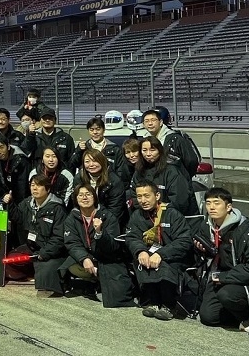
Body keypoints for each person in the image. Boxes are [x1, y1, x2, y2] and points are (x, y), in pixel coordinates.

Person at [196, 187, 249, 336]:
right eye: (208, 203)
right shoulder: (207, 226)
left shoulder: (246, 232)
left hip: (248, 283)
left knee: (227, 295)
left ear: (228, 207)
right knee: (208, 317)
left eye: (217, 203)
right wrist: (200, 250)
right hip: (220, 277)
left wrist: (223, 277)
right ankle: (238, 317)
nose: (211, 207)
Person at [125, 180, 193, 321]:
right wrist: (140, 251)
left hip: (172, 255)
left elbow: (184, 241)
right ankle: (152, 302)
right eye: (139, 196)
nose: (143, 200)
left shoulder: (172, 214)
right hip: (149, 252)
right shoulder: (137, 215)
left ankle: (169, 305)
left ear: (157, 196)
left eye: (146, 196)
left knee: (165, 265)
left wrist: (161, 254)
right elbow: (132, 237)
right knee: (141, 260)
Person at [59, 184, 134, 308]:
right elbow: (72, 243)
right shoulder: (71, 218)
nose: (84, 198)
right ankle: (93, 281)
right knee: (71, 266)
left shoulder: (108, 216)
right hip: (88, 257)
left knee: (116, 296)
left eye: (88, 194)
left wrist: (100, 232)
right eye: (80, 195)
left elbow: (113, 246)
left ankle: (101, 281)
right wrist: (84, 258)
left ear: (94, 197)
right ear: (76, 199)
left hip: (106, 258)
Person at [9, 175, 67, 294]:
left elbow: (59, 238)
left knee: (45, 277)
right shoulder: (27, 203)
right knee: (10, 261)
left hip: (51, 252)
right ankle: (32, 272)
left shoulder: (57, 208)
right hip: (32, 247)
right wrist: (9, 203)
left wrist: (44, 253)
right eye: (32, 185)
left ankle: (40, 272)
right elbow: (18, 218)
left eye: (39, 185)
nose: (34, 188)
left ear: (48, 189)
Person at [131, 136, 197, 216]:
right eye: (144, 150)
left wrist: (160, 212)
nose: (148, 154)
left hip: (171, 217)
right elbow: (134, 196)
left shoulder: (172, 171)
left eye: (152, 150)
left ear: (160, 151)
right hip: (146, 216)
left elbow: (179, 201)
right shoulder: (138, 172)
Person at [140, 108, 200, 178]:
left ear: (161, 122)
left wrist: (182, 176)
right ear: (143, 124)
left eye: (153, 120)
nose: (150, 123)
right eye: (146, 121)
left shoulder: (176, 138)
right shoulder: (143, 139)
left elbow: (191, 161)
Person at [75, 149, 127, 229]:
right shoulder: (79, 178)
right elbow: (76, 203)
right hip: (85, 219)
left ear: (102, 161)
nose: (91, 164)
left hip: (108, 221)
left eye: (95, 161)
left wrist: (101, 224)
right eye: (87, 162)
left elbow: (115, 209)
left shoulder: (114, 181)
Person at [71, 117, 130, 183]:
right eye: (91, 130)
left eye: (98, 129)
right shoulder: (84, 147)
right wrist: (79, 151)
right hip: (88, 183)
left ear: (104, 130)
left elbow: (121, 171)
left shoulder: (114, 148)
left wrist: (115, 183)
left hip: (109, 184)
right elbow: (73, 164)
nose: (95, 132)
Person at [0, 136, 30, 206]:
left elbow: (22, 188)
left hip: (18, 197)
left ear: (8, 147)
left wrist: (19, 206)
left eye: (1, 147)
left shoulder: (20, 160)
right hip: (1, 196)